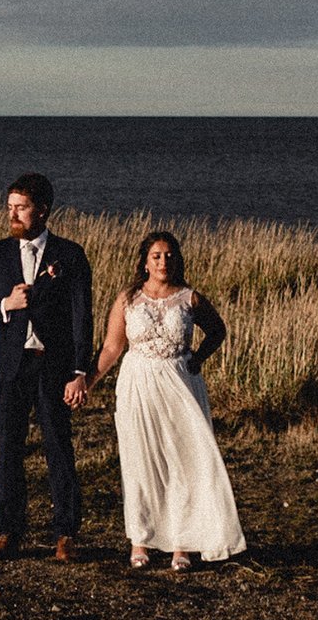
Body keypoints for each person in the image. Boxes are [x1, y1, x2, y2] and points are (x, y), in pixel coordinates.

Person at [93, 229, 245, 570]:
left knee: (184, 461)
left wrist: (199, 357)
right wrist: (87, 382)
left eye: (170, 255)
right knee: (141, 460)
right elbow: (112, 347)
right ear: (145, 262)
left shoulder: (189, 298)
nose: (164, 261)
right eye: (157, 256)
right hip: (138, 384)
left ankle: (182, 543)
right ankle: (141, 539)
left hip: (180, 383)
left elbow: (218, 331)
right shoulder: (128, 299)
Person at [0, 173, 94, 561]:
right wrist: (7, 305)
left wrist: (79, 370)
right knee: (8, 448)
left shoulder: (69, 255)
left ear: (42, 210)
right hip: (10, 366)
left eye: (20, 208)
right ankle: (8, 531)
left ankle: (65, 534)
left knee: (58, 446)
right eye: (9, 208)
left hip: (52, 366)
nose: (13, 215)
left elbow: (82, 316)